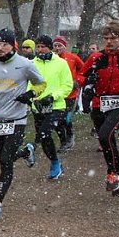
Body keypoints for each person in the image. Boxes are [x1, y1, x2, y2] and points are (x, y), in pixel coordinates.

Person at [0, 27, 46, 220]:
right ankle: (25, 152)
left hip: (18, 119)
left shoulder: (25, 64)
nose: (0, 48)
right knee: (5, 160)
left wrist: (30, 94)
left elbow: (41, 84)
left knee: (6, 161)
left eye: (4, 44)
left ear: (12, 45)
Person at [80, 19, 119, 196]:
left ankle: (114, 173)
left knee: (106, 134)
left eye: (113, 38)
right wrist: (88, 83)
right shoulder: (96, 57)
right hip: (99, 103)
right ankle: (116, 171)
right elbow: (80, 76)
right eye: (106, 38)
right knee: (104, 139)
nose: (109, 41)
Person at [27, 35, 73, 180]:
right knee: (44, 137)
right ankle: (55, 162)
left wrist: (52, 96)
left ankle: (55, 163)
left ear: (50, 47)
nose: (40, 50)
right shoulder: (32, 63)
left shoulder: (61, 63)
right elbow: (29, 84)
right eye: (38, 47)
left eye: (43, 47)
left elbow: (67, 85)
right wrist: (32, 98)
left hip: (57, 106)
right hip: (38, 107)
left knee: (44, 134)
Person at [52, 35, 83, 151]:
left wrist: (78, 81)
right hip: (56, 93)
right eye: (55, 45)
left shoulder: (72, 58)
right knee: (56, 120)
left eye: (59, 45)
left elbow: (84, 70)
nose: (57, 48)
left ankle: (69, 135)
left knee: (66, 118)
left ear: (64, 47)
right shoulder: (51, 58)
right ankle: (63, 140)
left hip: (71, 94)